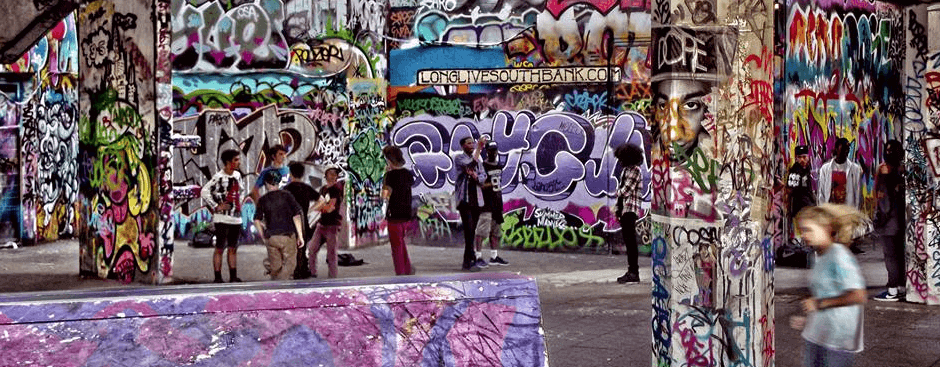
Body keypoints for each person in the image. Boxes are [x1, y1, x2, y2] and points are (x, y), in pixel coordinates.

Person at [789, 204, 867, 367]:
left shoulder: (839, 254)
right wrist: (809, 315)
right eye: (802, 230)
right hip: (818, 335)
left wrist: (819, 304)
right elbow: (826, 291)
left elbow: (858, 295)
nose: (803, 235)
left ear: (826, 227)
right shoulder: (822, 255)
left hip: (836, 341)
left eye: (808, 229)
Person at [201, 149, 245, 283]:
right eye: (236, 160)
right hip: (222, 219)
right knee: (220, 248)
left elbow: (241, 190)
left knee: (233, 248)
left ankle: (233, 276)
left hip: (236, 218)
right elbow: (204, 191)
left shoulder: (237, 175)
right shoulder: (218, 177)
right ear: (228, 162)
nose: (238, 162)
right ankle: (218, 277)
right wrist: (216, 206)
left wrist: (239, 203)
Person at [253, 170, 305, 280]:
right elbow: (296, 216)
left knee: (275, 266)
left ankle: (275, 282)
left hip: (272, 238)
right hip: (287, 236)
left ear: (266, 184)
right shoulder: (287, 196)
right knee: (290, 264)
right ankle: (280, 284)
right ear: (279, 182)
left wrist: (263, 236)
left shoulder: (263, 199)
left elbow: (257, 220)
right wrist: (300, 235)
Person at [873, 140, 906, 301]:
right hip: (900, 221)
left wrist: (880, 220)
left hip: (889, 223)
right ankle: (900, 286)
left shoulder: (885, 172)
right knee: (899, 255)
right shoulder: (900, 171)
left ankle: (892, 290)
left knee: (890, 256)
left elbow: (884, 202)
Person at [472, 141, 508, 269]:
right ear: (486, 151)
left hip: (497, 201)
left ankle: (494, 257)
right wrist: (490, 185)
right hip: (486, 203)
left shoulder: (499, 165)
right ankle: (478, 256)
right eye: (491, 150)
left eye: (495, 150)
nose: (493, 152)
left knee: (496, 231)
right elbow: (479, 183)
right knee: (482, 231)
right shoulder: (483, 166)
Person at [381, 145, 416, 275]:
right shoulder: (407, 174)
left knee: (396, 247)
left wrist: (385, 179)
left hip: (394, 214)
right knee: (401, 244)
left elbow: (385, 195)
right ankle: (407, 269)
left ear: (389, 160)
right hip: (407, 214)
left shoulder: (390, 175)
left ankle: (400, 274)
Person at [454, 136, 486, 271]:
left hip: (476, 200)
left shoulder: (478, 161)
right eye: (469, 143)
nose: (472, 145)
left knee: (472, 231)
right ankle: (469, 260)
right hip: (465, 200)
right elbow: (470, 165)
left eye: (473, 143)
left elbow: (483, 177)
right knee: (468, 230)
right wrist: (479, 148)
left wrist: (476, 176)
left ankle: (468, 260)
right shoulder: (459, 158)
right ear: (463, 146)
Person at [283, 162, 320, 279]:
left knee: (291, 248)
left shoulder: (286, 189)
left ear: (290, 174)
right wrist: (309, 210)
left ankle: (294, 271)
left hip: (290, 222)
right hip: (303, 221)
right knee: (302, 248)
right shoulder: (306, 188)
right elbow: (322, 200)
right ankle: (302, 270)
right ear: (303, 174)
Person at [614, 143, 644, 283]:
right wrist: (617, 209)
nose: (620, 161)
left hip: (630, 210)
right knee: (628, 241)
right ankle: (631, 270)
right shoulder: (626, 170)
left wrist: (616, 193)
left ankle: (634, 272)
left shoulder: (635, 171)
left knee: (631, 242)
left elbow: (625, 191)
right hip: (624, 210)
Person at [307, 166, 343, 278]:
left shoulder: (336, 190)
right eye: (330, 173)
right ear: (326, 175)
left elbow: (330, 208)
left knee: (331, 254)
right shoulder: (323, 189)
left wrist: (318, 208)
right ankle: (313, 273)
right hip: (321, 224)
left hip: (332, 226)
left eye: (334, 174)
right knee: (312, 249)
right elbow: (321, 204)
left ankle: (333, 277)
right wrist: (316, 208)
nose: (332, 176)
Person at [817, 138, 862, 209]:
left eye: (848, 149)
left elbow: (857, 193)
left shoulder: (855, 169)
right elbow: (821, 193)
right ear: (836, 149)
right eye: (843, 149)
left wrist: (855, 212)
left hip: (847, 211)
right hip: (830, 211)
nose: (846, 152)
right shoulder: (825, 169)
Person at [787, 145, 816, 220]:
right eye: (799, 157)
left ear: (808, 157)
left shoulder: (807, 170)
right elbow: (790, 191)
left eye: (804, 157)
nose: (802, 160)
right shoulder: (795, 171)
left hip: (808, 210)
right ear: (796, 158)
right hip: (800, 212)